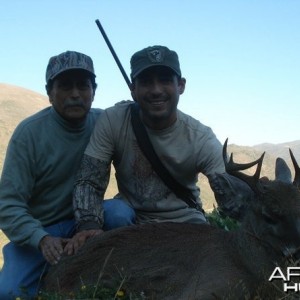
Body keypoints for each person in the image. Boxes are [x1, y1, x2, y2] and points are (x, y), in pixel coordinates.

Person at [65, 45, 251, 253]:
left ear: (180, 85)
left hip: (185, 222)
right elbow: (89, 181)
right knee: (114, 213)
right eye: (146, 82)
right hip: (131, 219)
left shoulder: (201, 138)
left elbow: (231, 193)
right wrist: (88, 225)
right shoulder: (113, 120)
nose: (156, 90)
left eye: (164, 80)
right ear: (133, 89)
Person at [0, 50, 102, 299]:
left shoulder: (104, 123)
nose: (75, 94)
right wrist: (41, 238)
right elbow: (7, 204)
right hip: (41, 229)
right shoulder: (29, 134)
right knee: (9, 292)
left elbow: (140, 114)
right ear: (49, 92)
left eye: (83, 86)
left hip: (86, 221)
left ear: (94, 90)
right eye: (65, 86)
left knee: (121, 214)